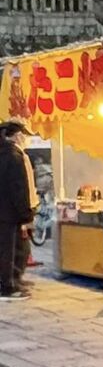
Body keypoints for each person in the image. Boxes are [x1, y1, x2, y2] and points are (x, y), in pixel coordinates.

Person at [0, 121, 34, 302]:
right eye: (23, 134)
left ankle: (7, 283)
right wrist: (26, 214)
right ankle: (7, 288)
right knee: (8, 251)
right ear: (15, 136)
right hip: (8, 213)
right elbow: (18, 188)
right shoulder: (13, 156)